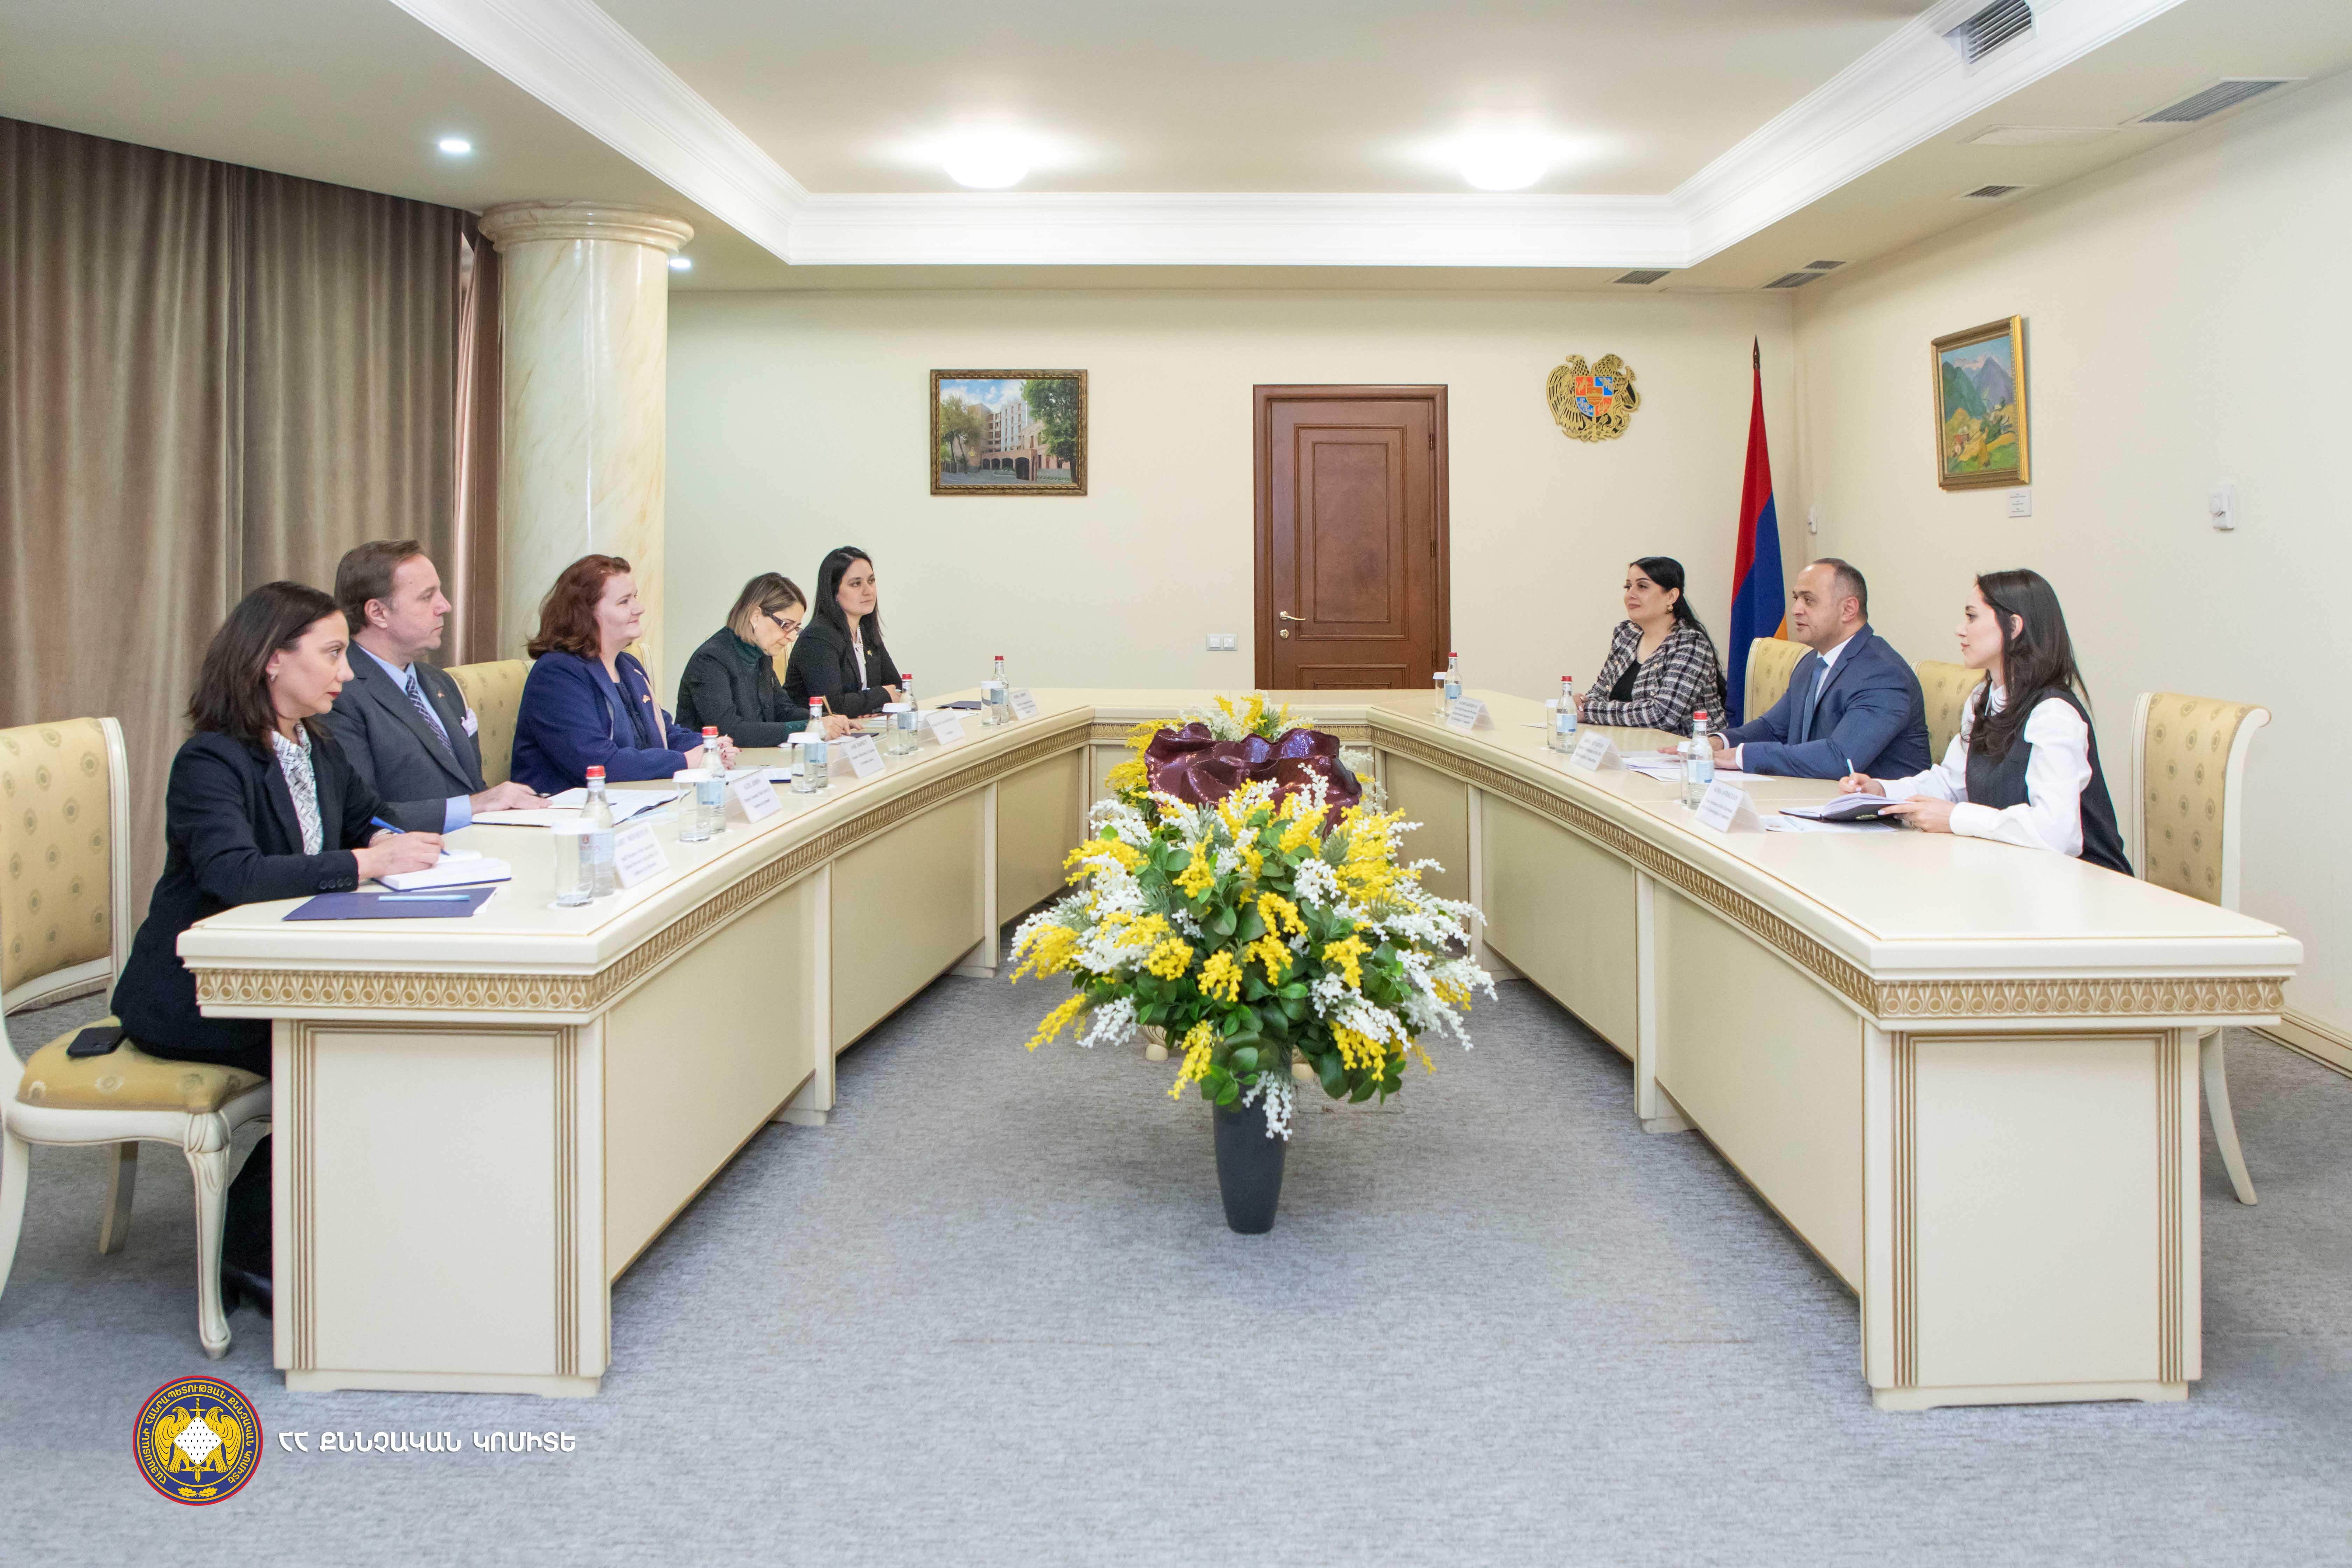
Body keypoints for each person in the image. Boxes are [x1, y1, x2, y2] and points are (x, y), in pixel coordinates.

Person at [112, 582, 445, 1316]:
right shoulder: (211, 761)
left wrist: (393, 842)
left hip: (280, 975)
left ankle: (345, 1225)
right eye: (332, 654)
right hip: (195, 994)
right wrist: (367, 862)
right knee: (343, 1054)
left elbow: (366, 819)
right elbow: (235, 874)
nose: (347, 672)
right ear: (272, 660)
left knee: (384, 1041)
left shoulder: (313, 744)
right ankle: (247, 1247)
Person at [1840, 569, 2131, 873]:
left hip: (2086, 881)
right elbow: (1953, 783)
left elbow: (2058, 834)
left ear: (2014, 627)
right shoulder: (1984, 697)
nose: (1960, 630)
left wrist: (1956, 817)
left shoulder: (2054, 713)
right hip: (2015, 871)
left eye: (1972, 617)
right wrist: (1882, 792)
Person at [318, 539, 545, 831]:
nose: (445, 606)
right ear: (378, 613)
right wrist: (475, 806)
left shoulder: (440, 683)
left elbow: (471, 787)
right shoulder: (337, 693)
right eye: (427, 597)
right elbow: (360, 818)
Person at [510, 554, 738, 794]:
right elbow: (598, 764)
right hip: (567, 810)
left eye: (635, 597)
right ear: (585, 613)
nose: (640, 609)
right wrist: (686, 761)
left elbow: (664, 734)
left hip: (630, 802)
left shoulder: (629, 666)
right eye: (624, 602)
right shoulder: (557, 674)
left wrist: (711, 748)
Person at [1698, 558, 1931, 779]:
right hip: (1817, 796)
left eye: (1809, 600)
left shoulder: (1883, 674)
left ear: (1848, 609)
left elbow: (1841, 759)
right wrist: (1719, 742)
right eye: (1796, 598)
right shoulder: (1812, 661)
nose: (1796, 610)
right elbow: (1773, 728)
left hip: (1878, 806)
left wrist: (1743, 756)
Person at [676, 573, 856, 747]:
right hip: (711, 763)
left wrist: (826, 720)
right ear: (756, 617)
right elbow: (730, 731)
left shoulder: (762, 654)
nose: (792, 637)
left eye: (796, 628)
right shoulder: (710, 660)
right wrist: (810, 728)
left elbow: (782, 710)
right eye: (786, 625)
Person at [1579, 556, 1728, 736]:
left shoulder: (1691, 644)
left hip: (1688, 749)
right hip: (1632, 744)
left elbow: (1662, 716)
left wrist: (1588, 711)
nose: (1631, 594)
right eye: (1628, 587)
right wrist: (1582, 704)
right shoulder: (1626, 634)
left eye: (1642, 587)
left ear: (1671, 597)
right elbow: (1599, 693)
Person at [784, 546, 901, 719]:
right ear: (834, 593)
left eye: (871, 581)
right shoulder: (818, 637)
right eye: (856, 584)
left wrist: (869, 709)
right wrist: (877, 700)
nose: (868, 591)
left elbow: (897, 688)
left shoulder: (865, 631)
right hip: (813, 733)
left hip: (856, 730)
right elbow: (833, 705)